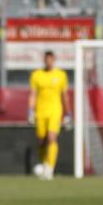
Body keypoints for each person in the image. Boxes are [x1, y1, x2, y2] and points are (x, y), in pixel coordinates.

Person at [29, 51, 71, 181]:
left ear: (54, 60)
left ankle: (50, 168)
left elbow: (65, 96)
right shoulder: (37, 75)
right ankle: (45, 164)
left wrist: (68, 113)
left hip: (55, 111)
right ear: (44, 60)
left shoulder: (61, 75)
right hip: (40, 112)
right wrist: (30, 111)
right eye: (46, 60)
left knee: (52, 137)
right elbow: (33, 94)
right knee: (41, 140)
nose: (49, 62)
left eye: (51, 60)